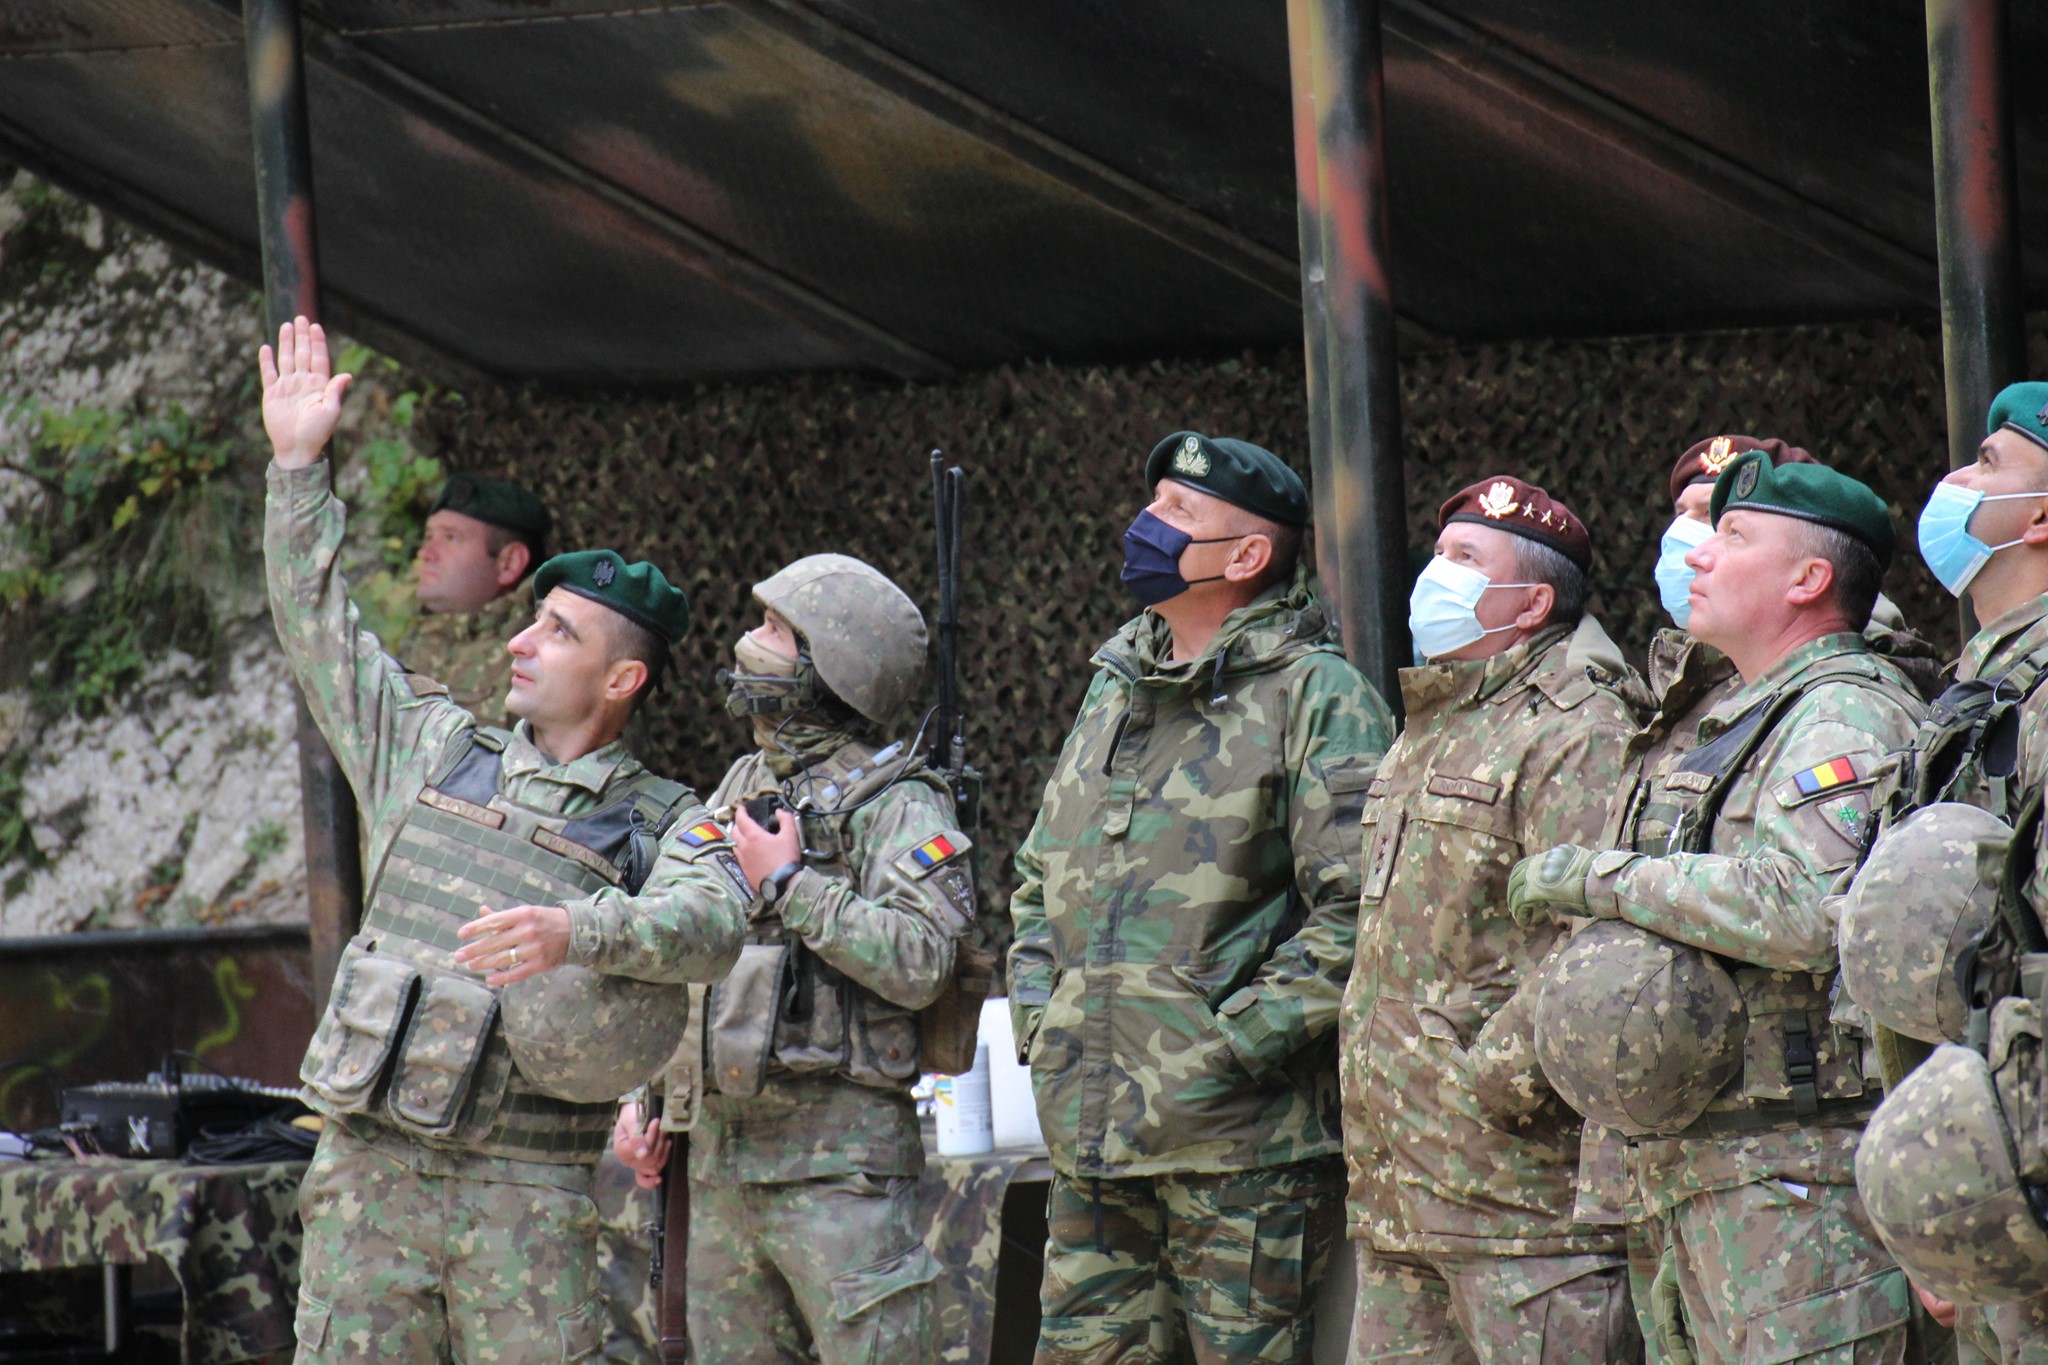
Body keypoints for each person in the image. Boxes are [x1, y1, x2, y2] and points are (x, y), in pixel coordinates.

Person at [260, 316, 750, 1362]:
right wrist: (298, 470)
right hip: (370, 1186)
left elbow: (714, 923)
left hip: (526, 1203)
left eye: (558, 632)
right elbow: (317, 628)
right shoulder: (430, 750)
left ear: (622, 678)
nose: (521, 641)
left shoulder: (664, 820)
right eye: (532, 619)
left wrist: (579, 931)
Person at [1510, 450, 1929, 1364]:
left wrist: (1602, 877)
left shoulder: (1841, 715)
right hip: (1716, 1171)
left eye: (1733, 536)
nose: (1698, 553)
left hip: (1799, 1185)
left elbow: (1807, 907)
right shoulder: (1742, 711)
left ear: (1808, 579)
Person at [1009, 431, 1394, 1362]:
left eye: (1178, 511)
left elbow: (1365, 908)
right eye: (1153, 504)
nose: (1146, 523)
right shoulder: (1115, 691)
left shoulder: (1318, 695)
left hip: (1243, 1152)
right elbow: (1038, 875)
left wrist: (1232, 1046)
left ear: (1249, 553)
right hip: (1096, 1140)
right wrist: (1043, 1022)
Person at [612, 553, 974, 1363]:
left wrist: (792, 884)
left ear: (831, 666)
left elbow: (924, 960)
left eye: (775, 628)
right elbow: (684, 940)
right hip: (720, 1161)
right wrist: (649, 1097)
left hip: (841, 1170)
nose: (749, 640)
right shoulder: (744, 780)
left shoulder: (899, 803)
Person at [1342, 474, 1644, 1361]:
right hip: (1399, 1194)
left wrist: (1487, 1087)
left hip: (1521, 1211)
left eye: (1466, 558)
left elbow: (1593, 942)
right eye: (1439, 553)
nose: (1435, 573)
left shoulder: (1577, 725)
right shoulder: (1436, 717)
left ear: (1532, 602)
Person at [1841, 382, 2048, 1359]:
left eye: (1988, 463)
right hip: (1984, 1190)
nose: (1956, 479)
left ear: (2038, 518)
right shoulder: (1977, 689)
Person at [399, 472, 551, 724]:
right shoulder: (419, 637)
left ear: (509, 563)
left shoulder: (543, 654)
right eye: (428, 537)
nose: (426, 553)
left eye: (451, 537)